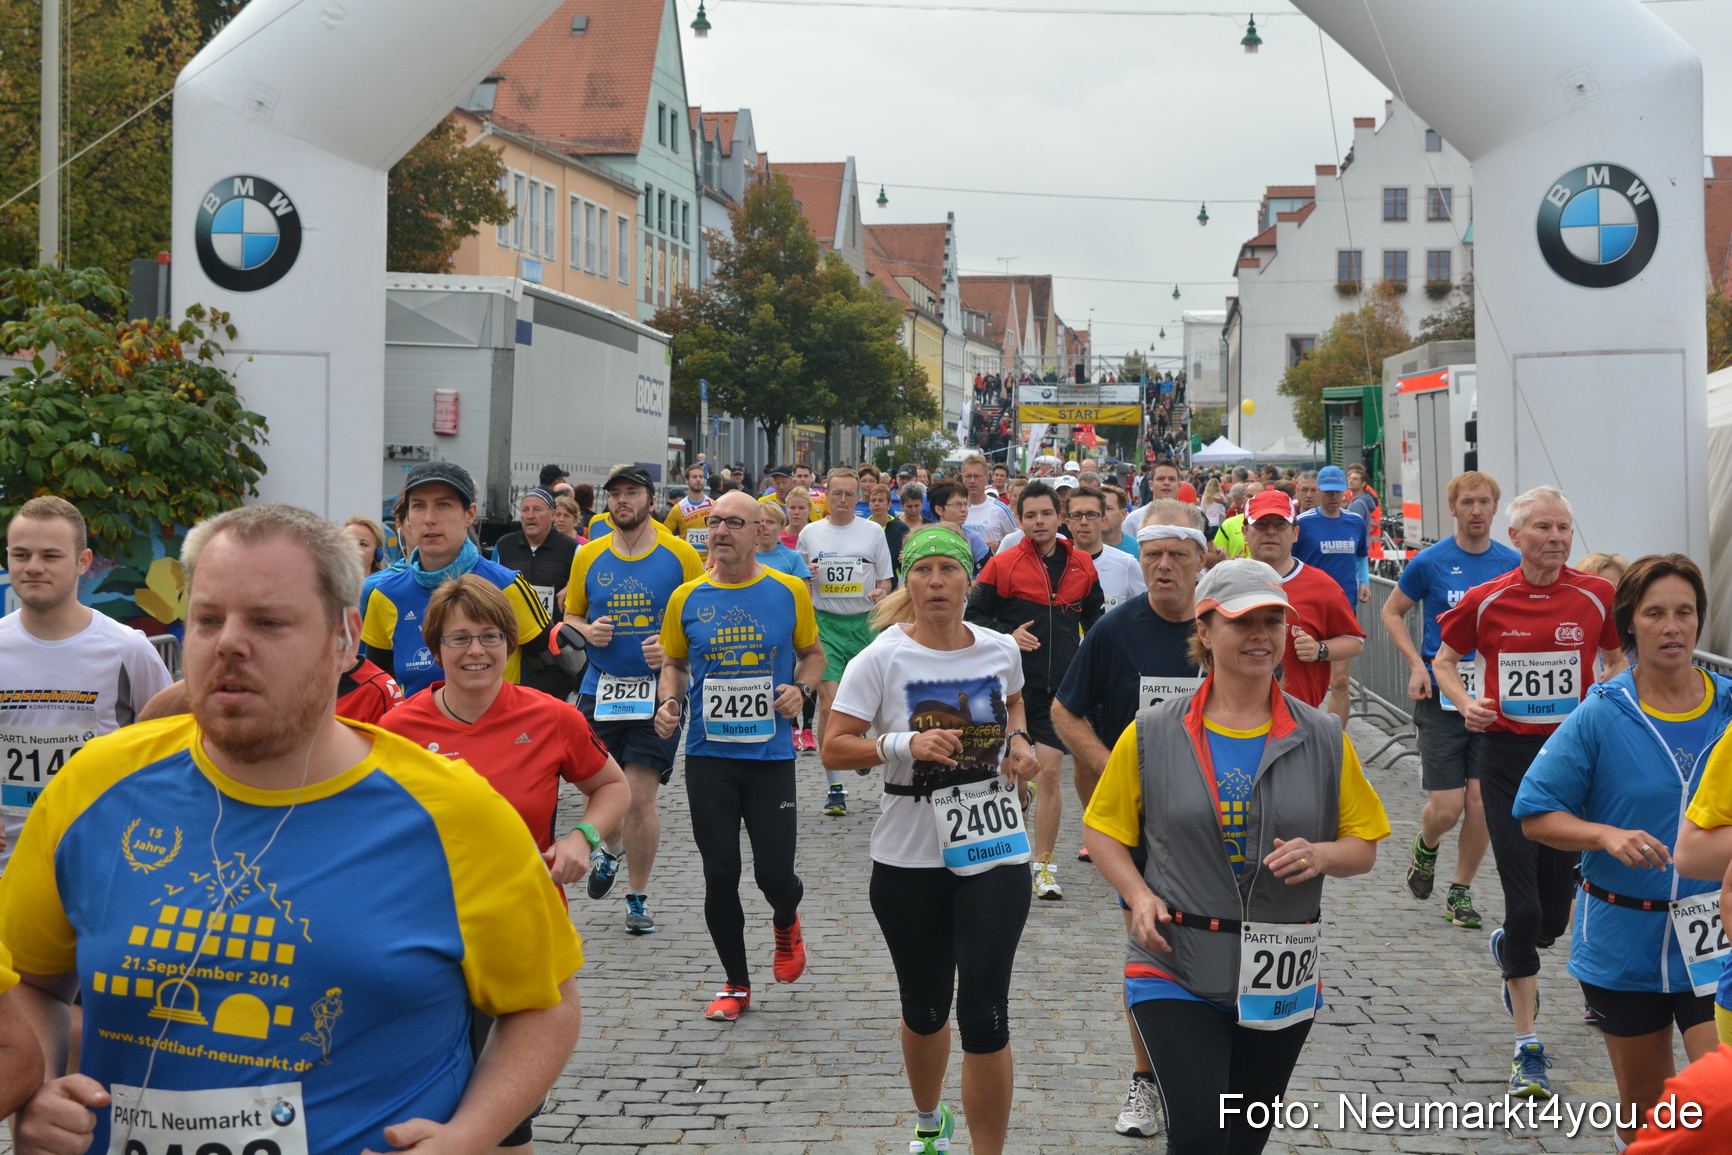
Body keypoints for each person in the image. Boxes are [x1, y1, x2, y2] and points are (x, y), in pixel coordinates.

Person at [0, 504, 584, 1155]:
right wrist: (43, 1087)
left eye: (269, 621)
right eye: (207, 619)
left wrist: (470, 1135)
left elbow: (545, 1005)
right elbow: (30, 981)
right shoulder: (93, 788)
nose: (229, 643)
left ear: (345, 637)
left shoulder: (454, 813)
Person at [1083, 558, 1389, 1155]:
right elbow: (1102, 830)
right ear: (1205, 631)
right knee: (1199, 1135)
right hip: (1175, 962)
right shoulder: (1150, 732)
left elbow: (1364, 846)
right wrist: (1140, 895)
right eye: (1243, 621)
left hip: (1280, 969)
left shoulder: (1323, 736)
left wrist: (1324, 854)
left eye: (1273, 621)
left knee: (1243, 1143)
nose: (1261, 636)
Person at [379, 574, 630, 1151]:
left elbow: (612, 787)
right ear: (436, 648)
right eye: (459, 639)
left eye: (490, 636)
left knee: (508, 1114)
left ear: (510, 644)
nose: (475, 652)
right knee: (430, 1096)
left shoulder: (551, 718)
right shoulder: (398, 732)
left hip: (520, 931)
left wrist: (580, 839)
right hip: (427, 936)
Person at [823, 525, 1040, 1155]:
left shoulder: (999, 649)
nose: (936, 582)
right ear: (907, 583)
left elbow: (1017, 702)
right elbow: (834, 748)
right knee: (924, 1008)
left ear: (970, 581)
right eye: (923, 571)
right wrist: (903, 744)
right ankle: (927, 1120)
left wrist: (1020, 740)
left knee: (984, 1011)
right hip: (908, 856)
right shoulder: (882, 659)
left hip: (994, 848)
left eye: (949, 570)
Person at [1515, 554, 1726, 1123]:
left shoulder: (1729, 708)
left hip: (1715, 937)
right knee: (1647, 1115)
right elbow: (1535, 812)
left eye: (1685, 612)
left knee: (1719, 1104)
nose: (1672, 626)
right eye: (1655, 613)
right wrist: (1603, 834)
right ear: (1630, 622)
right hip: (1622, 937)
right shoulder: (1601, 714)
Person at [1434, 485, 1627, 1098]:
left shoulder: (1597, 596)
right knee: (1521, 905)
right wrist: (1468, 704)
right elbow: (1444, 659)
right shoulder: (1488, 599)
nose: (1555, 537)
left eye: (1564, 527)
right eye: (1543, 527)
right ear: (1516, 537)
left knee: (1551, 918)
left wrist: (1603, 700)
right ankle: (1527, 1045)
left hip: (1572, 764)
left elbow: (1619, 659)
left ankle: (1515, 946)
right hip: (1508, 760)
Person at [1052, 500, 1207, 1139]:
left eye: (1177, 557)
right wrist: (1110, 764)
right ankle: (1146, 1080)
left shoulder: (1226, 624)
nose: (1163, 568)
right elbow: (1065, 712)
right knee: (1149, 947)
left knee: (1219, 944)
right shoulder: (1117, 630)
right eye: (1152, 557)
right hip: (1145, 819)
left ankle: (1210, 1069)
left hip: (1221, 812)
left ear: (1204, 562)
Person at [654, 492, 826, 1020]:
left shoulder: (788, 590)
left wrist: (801, 690)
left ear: (760, 532)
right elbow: (676, 665)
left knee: (774, 875)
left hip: (770, 755)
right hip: (710, 754)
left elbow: (813, 656)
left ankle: (785, 919)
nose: (721, 531)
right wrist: (668, 701)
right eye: (714, 523)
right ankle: (735, 984)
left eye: (734, 522)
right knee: (720, 869)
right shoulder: (686, 597)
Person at [564, 464, 704, 934]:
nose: (623, 501)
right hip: (599, 687)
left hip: (658, 690)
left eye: (632, 493)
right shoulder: (590, 556)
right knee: (601, 790)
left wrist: (672, 648)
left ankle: (637, 897)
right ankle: (612, 849)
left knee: (639, 796)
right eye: (616, 494)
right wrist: (588, 630)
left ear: (650, 499)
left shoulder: (680, 554)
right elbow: (571, 616)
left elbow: (702, 615)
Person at [0, 497, 173, 866]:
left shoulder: (128, 649)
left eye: (50, 556)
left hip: (100, 864)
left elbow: (170, 749)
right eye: (20, 554)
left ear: (83, 562)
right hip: (10, 867)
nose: (33, 567)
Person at [1381, 471, 1518, 928]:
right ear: (1454, 509)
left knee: (1480, 802)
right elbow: (1392, 610)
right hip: (1440, 694)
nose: (1476, 510)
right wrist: (1416, 665)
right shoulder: (1432, 561)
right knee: (1447, 807)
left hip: (1491, 700)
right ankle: (1427, 844)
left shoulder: (1512, 564)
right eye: (1467, 502)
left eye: (1484, 501)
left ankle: (1460, 890)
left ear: (1495, 508)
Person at [967, 480, 1105, 900]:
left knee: (1048, 772)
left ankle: (1043, 866)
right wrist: (1009, 635)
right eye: (1030, 515)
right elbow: (973, 619)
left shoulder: (1082, 564)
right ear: (1021, 520)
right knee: (1014, 775)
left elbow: (1096, 623)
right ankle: (1013, 831)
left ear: (1059, 516)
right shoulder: (1002, 564)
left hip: (1060, 690)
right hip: (1011, 688)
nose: (1039, 521)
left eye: (1046, 513)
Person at [361, 461, 553, 698]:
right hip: (414, 734)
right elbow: (378, 686)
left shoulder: (507, 585)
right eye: (419, 506)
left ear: (470, 514)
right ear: (407, 518)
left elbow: (558, 671)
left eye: (444, 505)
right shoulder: (385, 594)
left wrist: (515, 720)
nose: (430, 518)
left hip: (493, 732)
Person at [797, 468, 893, 816]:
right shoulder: (810, 533)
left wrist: (880, 590)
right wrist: (807, 576)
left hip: (865, 625)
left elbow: (886, 580)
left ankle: (863, 745)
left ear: (858, 497)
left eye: (848, 494)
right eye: (835, 493)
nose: (841, 500)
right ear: (825, 495)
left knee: (874, 704)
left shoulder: (872, 533)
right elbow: (800, 580)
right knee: (830, 703)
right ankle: (834, 786)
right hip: (825, 625)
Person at [1242, 490, 1365, 729]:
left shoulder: (1323, 586)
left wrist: (1321, 649)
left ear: (1295, 533)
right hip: (1236, 720)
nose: (1270, 531)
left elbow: (1355, 641)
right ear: (1245, 532)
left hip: (1300, 720)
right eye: (1261, 524)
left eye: (1280, 524)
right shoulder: (1225, 582)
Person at [493, 487, 581, 701]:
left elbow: (584, 589)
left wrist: (571, 587)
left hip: (553, 642)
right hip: (514, 643)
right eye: (525, 510)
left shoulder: (571, 548)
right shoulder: (504, 546)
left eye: (537, 509)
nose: (530, 515)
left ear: (552, 515)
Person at [1295, 465, 1370, 608]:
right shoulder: (1302, 523)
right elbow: (1290, 561)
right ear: (1319, 490)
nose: (1334, 496)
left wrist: (1364, 582)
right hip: (1312, 604)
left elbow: (1361, 556)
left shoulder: (1355, 521)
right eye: (1329, 492)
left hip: (1346, 603)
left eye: (1338, 491)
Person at [1066, 487, 1145, 611]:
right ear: (1068, 522)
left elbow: (1143, 613)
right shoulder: (1055, 564)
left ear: (1103, 521)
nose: (1084, 521)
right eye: (1077, 515)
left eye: (1092, 515)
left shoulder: (1127, 564)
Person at [929, 480, 990, 572]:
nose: (964, 510)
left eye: (965, 504)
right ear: (939, 509)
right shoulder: (925, 537)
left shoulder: (974, 540)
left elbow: (988, 577)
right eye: (957, 505)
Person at [960, 454, 1016, 551]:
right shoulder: (954, 508)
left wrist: (998, 545)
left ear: (986, 478)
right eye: (968, 476)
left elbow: (1017, 540)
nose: (972, 481)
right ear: (963, 478)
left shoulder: (1000, 509)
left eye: (977, 476)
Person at [664, 462, 717, 556]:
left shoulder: (714, 505)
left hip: (710, 563)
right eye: (694, 477)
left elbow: (724, 530)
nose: (698, 480)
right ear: (686, 480)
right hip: (688, 561)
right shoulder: (678, 509)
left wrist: (714, 540)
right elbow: (664, 533)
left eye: (701, 477)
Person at [1124, 460, 1182, 535]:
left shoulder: (1191, 518)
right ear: (1151, 485)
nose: (1166, 483)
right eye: (1161, 479)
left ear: (1179, 486)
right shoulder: (1133, 519)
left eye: (1172, 479)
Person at [886, 480, 927, 581]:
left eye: (917, 506)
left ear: (922, 503)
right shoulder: (892, 527)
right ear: (902, 504)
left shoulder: (929, 526)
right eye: (909, 506)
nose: (913, 510)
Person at [1099, 485, 1139, 557]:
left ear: (1123, 514)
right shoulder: (1082, 549)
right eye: (1098, 508)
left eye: (1108, 508)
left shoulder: (1139, 549)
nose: (1101, 513)